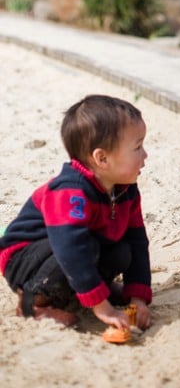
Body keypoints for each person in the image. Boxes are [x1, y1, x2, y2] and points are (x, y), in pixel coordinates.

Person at [0, 95, 153, 332]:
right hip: (25, 258)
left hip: (76, 251)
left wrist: (138, 297)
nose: (145, 155)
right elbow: (70, 249)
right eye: (137, 147)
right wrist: (102, 307)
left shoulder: (126, 190)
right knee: (83, 246)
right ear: (102, 158)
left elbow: (137, 240)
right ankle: (33, 302)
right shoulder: (69, 192)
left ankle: (92, 287)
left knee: (124, 249)